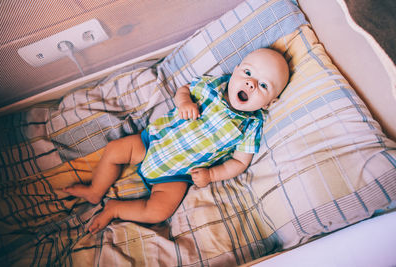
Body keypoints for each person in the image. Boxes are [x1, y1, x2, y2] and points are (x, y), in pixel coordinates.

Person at [64, 48, 289, 234]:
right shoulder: (210, 87)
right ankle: (95, 190)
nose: (251, 83)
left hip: (176, 175)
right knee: (114, 150)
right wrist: (184, 103)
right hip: (151, 143)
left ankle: (115, 209)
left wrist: (212, 175)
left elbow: (240, 162)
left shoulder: (250, 125)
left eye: (263, 85)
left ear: (269, 103)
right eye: (248, 72)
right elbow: (184, 90)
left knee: (158, 212)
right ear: (236, 70)